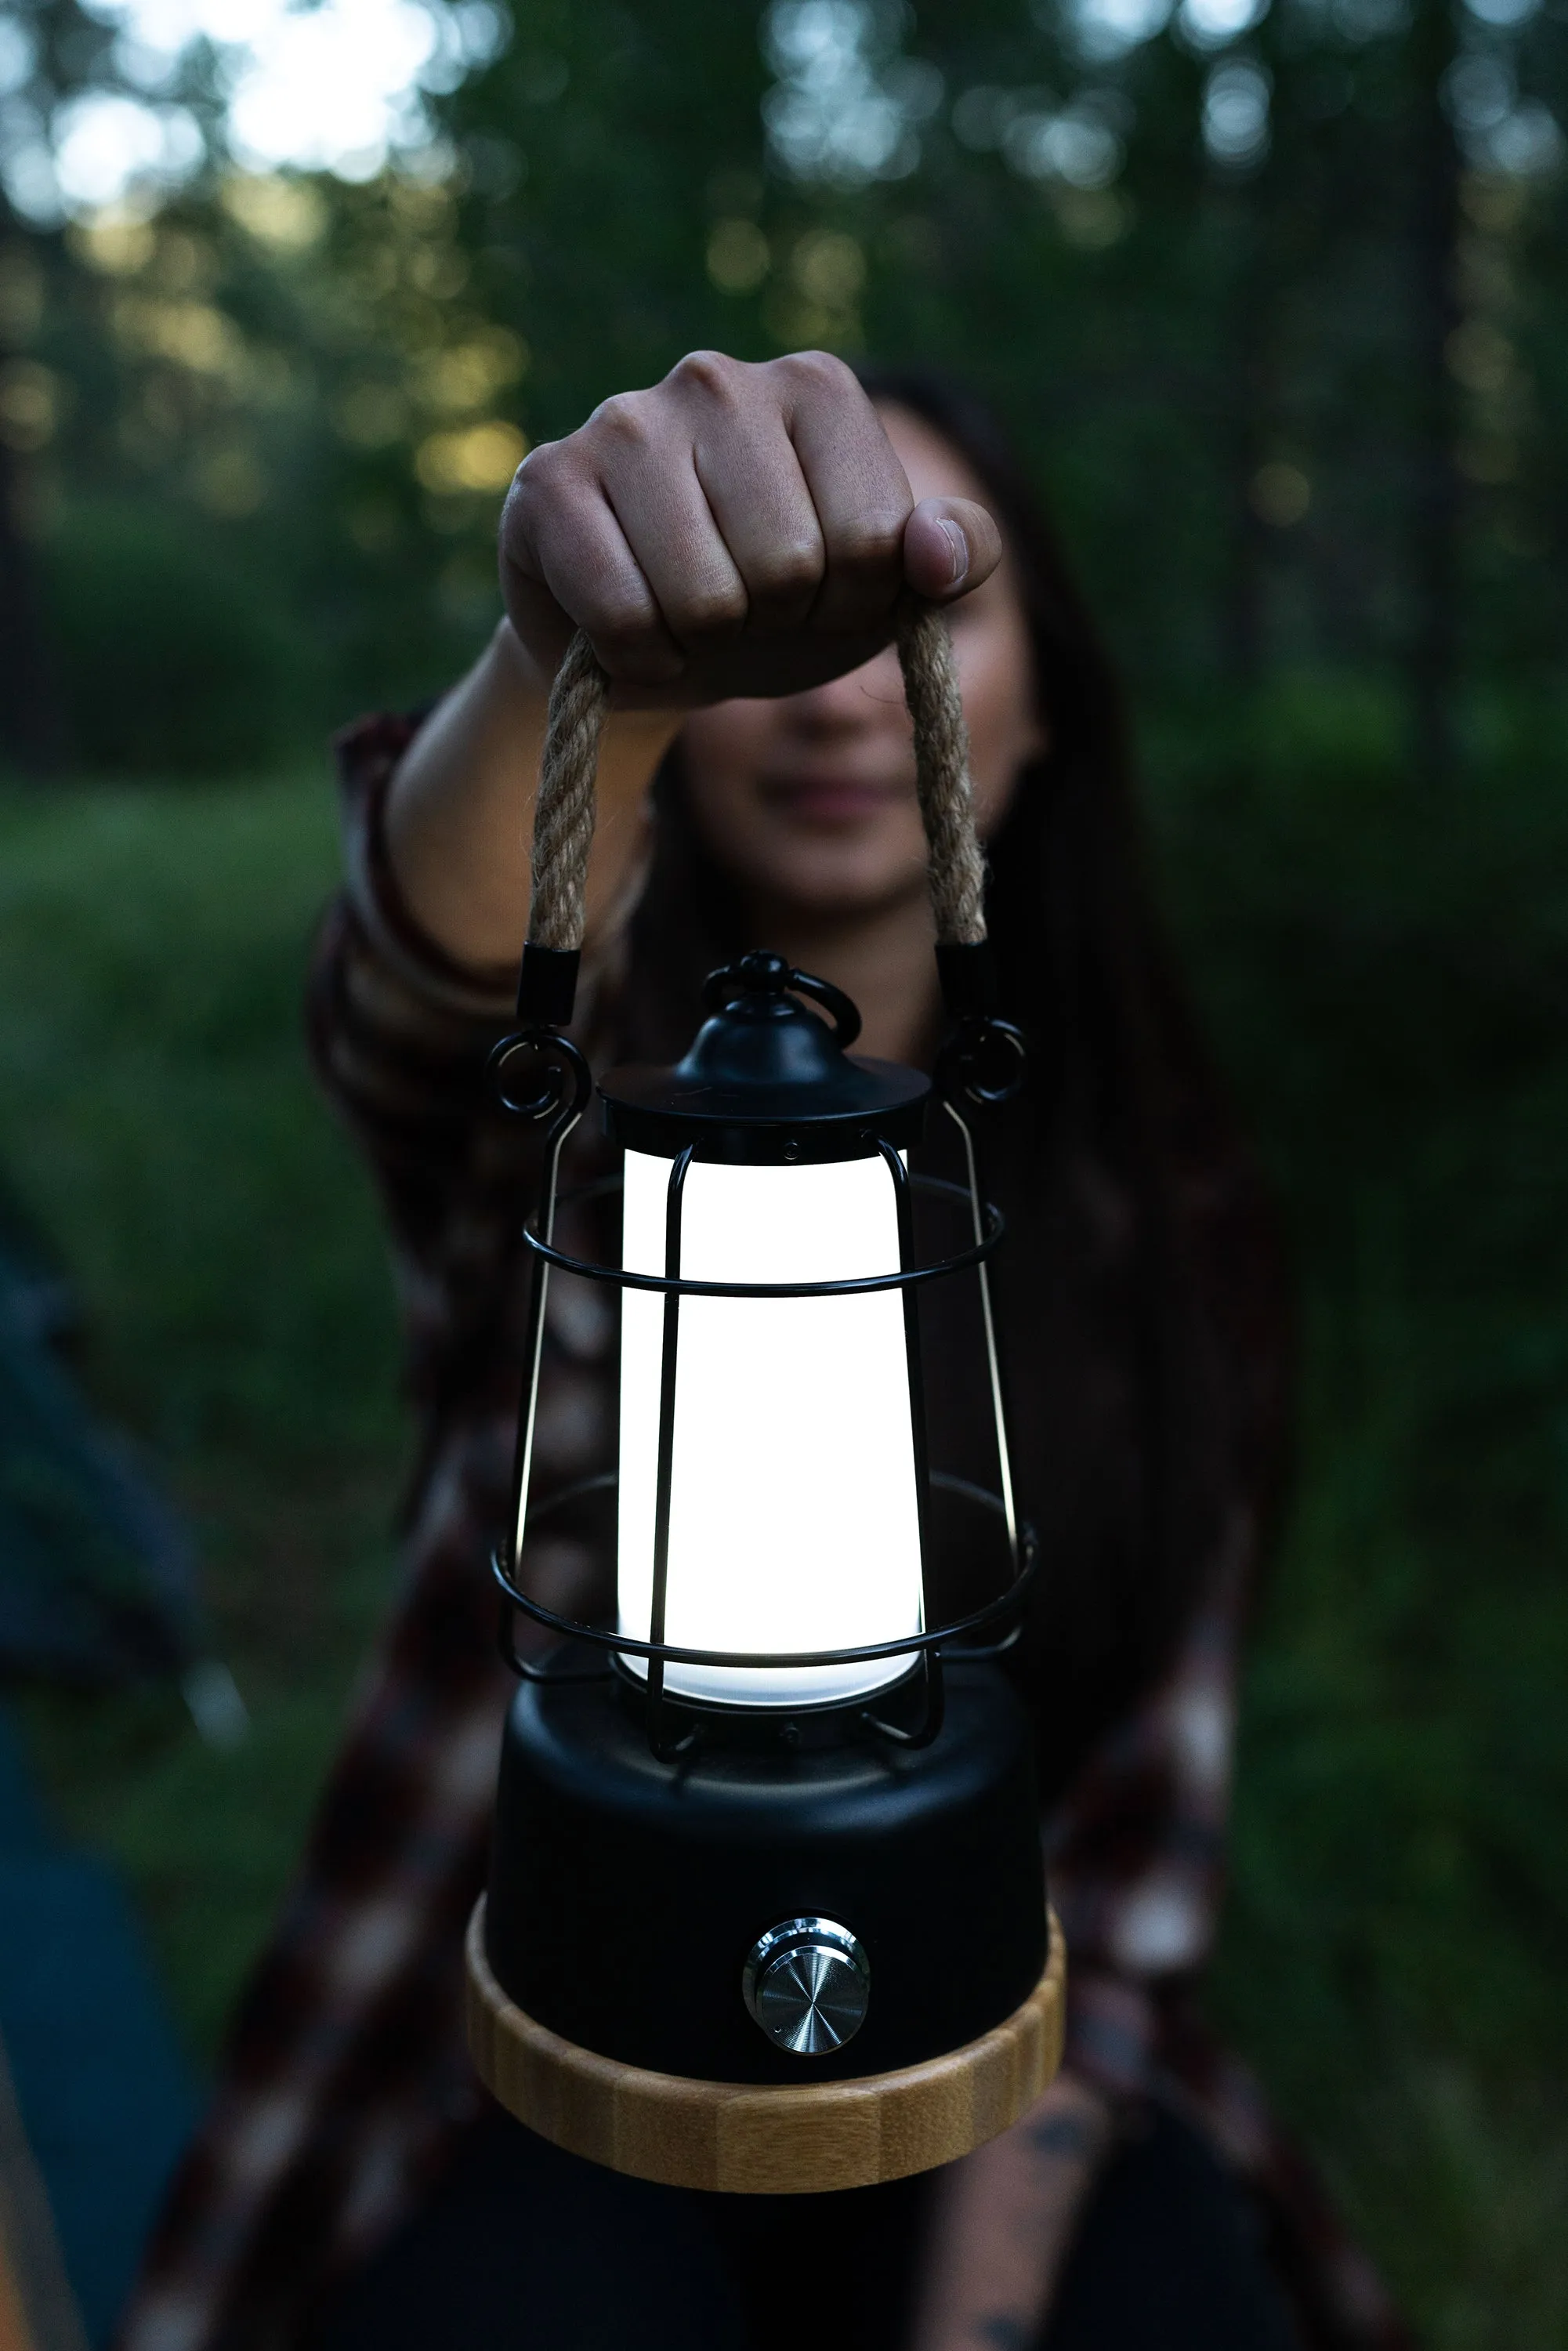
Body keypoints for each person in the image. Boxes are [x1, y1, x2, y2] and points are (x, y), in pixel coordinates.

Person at [118, 354, 1412, 2351]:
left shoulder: (1165, 1223)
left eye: (921, 629)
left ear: (1045, 701)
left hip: (999, 2039)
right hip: (546, 2029)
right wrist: (590, 658)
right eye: (777, 664)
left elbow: (1143, 1857)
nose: (833, 701)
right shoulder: (564, 1125)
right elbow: (418, 988)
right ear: (689, 744)